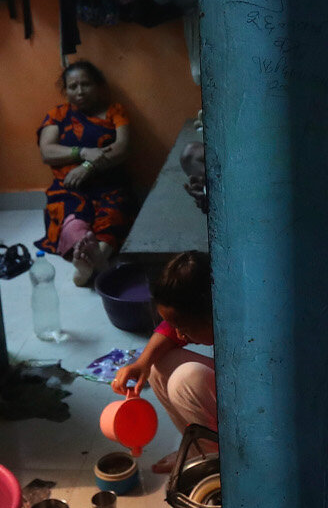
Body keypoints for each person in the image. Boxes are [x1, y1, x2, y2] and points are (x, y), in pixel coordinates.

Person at [111, 250, 216, 471]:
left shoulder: (250, 335)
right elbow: (168, 329)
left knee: (188, 379)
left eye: (184, 328)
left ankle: (217, 468)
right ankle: (199, 452)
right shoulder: (215, 307)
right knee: (158, 363)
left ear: (210, 316)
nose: (178, 335)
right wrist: (142, 363)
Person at [37, 60, 132, 287]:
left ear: (98, 86)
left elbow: (122, 148)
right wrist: (83, 152)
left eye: (86, 84)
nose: (79, 91)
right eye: (73, 86)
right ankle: (88, 256)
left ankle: (96, 256)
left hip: (108, 183)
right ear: (66, 90)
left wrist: (88, 167)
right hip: (68, 187)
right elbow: (47, 151)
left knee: (115, 210)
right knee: (72, 216)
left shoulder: (114, 112)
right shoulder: (57, 115)